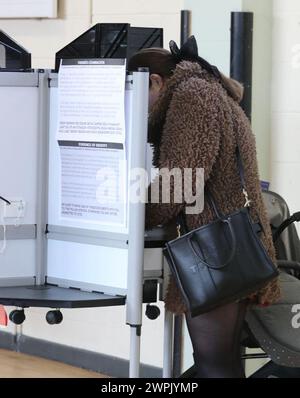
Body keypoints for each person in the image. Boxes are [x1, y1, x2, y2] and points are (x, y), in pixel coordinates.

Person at [128, 36, 281, 378]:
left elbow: (180, 180)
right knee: (221, 363)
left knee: (215, 365)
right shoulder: (207, 89)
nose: (139, 107)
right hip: (231, 239)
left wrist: (134, 215)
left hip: (217, 249)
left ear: (154, 81)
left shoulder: (191, 95)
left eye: (136, 94)